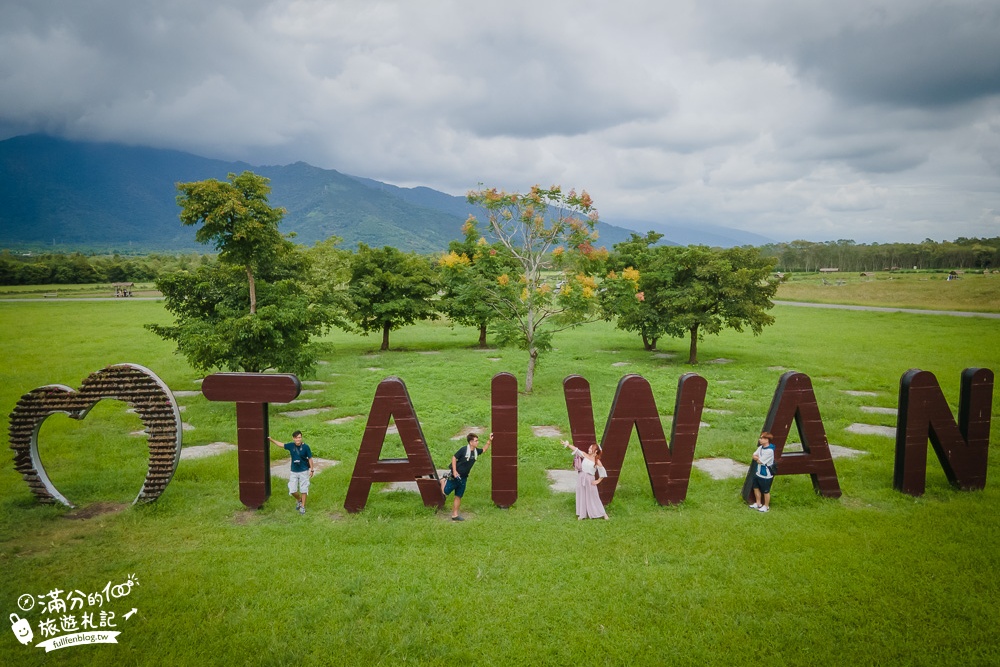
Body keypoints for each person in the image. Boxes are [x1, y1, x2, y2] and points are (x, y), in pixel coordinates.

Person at [440, 432, 492, 521]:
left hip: (463, 477)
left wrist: (489, 441)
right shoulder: (463, 450)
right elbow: (454, 457)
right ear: (471, 442)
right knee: (444, 493)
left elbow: (483, 450)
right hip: (454, 476)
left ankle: (455, 515)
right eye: (476, 441)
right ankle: (442, 481)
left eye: (477, 440)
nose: (477, 442)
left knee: (459, 495)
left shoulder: (475, 451)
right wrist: (455, 471)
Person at [560, 440, 609, 520]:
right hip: (581, 477)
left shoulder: (597, 461)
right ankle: (582, 514)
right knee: (581, 494)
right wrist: (568, 444)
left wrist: (598, 480)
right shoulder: (585, 455)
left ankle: (603, 513)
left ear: (595, 451)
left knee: (593, 496)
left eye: (591, 448)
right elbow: (576, 449)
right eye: (589, 448)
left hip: (590, 479)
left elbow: (603, 472)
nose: (589, 449)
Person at [268, 430, 315, 514]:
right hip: (294, 471)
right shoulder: (291, 446)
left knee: (304, 489)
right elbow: (281, 445)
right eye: (296, 438)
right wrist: (271, 440)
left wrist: (312, 469)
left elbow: (310, 458)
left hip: (303, 471)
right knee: (292, 490)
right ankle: (299, 500)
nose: (298, 439)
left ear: (301, 438)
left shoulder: (306, 447)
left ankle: (303, 506)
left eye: (300, 437)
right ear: (293, 438)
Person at [750, 431, 776, 512]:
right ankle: (758, 503)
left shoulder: (769, 451)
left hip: (766, 474)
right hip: (758, 472)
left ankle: (766, 506)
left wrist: (757, 458)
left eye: (762, 438)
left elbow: (760, 461)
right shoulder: (761, 447)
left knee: (766, 491)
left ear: (767, 440)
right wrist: (757, 458)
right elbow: (753, 455)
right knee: (756, 488)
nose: (760, 439)